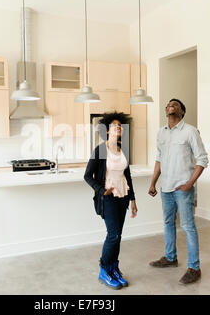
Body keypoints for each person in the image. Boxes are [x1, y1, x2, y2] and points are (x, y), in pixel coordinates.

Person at [148, 98, 209, 284]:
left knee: (188, 226)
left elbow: (202, 159)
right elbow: (159, 159)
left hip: (182, 187)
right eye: (168, 105)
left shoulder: (190, 131)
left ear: (182, 111)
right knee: (168, 223)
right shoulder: (161, 132)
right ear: (166, 111)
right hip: (165, 187)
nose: (171, 106)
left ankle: (194, 268)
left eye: (175, 104)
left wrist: (190, 183)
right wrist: (153, 183)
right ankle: (170, 258)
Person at [84, 111, 138, 290]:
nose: (118, 127)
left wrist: (133, 199)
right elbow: (87, 176)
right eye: (114, 125)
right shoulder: (100, 150)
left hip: (122, 197)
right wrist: (101, 191)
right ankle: (104, 269)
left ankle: (113, 268)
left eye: (120, 125)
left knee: (118, 236)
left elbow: (127, 176)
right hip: (108, 198)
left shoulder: (122, 150)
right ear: (107, 130)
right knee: (112, 235)